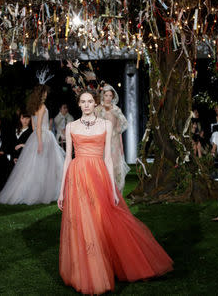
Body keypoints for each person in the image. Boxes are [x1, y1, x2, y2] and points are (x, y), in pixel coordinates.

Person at [58, 91, 173, 294]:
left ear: (96, 103)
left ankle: (122, 264)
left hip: (98, 175)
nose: (86, 105)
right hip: (76, 178)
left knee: (102, 221)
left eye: (90, 101)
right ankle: (88, 273)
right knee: (83, 224)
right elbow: (67, 158)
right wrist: (61, 192)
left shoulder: (106, 124)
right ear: (79, 104)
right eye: (83, 101)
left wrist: (112, 188)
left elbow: (109, 159)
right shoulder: (70, 126)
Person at [0, 85, 65, 205]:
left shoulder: (33, 107)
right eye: (44, 93)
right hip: (44, 137)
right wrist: (40, 142)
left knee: (35, 167)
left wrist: (37, 139)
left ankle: (39, 191)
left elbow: (33, 127)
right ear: (41, 94)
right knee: (48, 165)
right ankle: (44, 192)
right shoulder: (42, 107)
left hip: (36, 137)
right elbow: (38, 128)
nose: (46, 95)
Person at [94, 84, 130, 192]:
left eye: (110, 95)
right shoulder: (97, 109)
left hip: (114, 142)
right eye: (106, 95)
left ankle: (114, 192)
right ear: (102, 96)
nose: (108, 98)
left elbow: (121, 126)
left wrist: (121, 145)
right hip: (101, 142)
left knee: (114, 166)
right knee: (102, 166)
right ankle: (103, 191)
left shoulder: (116, 109)